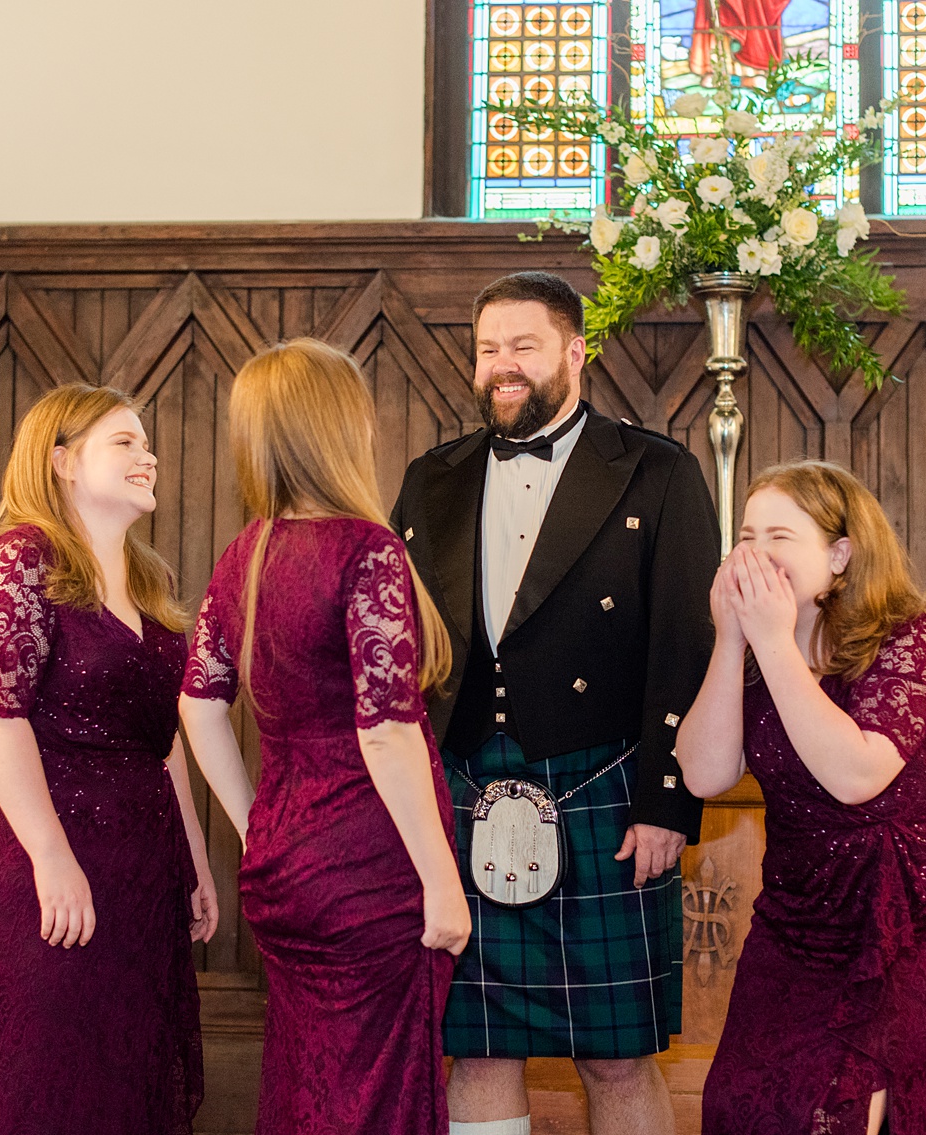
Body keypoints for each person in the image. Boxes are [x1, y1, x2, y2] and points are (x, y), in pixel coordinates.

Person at [390, 271, 720, 1135]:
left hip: (602, 789)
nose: (502, 365)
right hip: (463, 781)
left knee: (616, 1051)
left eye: (523, 346)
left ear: (575, 351)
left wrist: (665, 800)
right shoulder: (433, 479)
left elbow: (684, 647)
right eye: (488, 349)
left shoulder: (656, 471)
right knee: (480, 1044)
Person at [177, 338, 470, 1135]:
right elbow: (386, 732)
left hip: (285, 866)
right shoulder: (365, 548)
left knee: (308, 1085)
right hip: (371, 867)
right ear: (339, 426)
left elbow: (198, 706)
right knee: (377, 1096)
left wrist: (256, 825)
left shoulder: (245, 553)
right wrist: (442, 880)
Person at [0, 384, 216, 1135]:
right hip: (30, 864)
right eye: (125, 441)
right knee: (38, 1086)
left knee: (120, 1086)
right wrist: (52, 857)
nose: (147, 456)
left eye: (147, 443)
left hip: (136, 871)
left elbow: (162, 737)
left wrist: (193, 856)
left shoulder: (149, 580)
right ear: (60, 460)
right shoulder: (21, 558)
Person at [677, 460, 926, 1135]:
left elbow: (855, 775)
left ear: (840, 554)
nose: (754, 554)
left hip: (919, 924)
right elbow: (704, 774)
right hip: (799, 927)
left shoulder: (909, 642)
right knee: (736, 1105)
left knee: (839, 1111)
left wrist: (770, 639)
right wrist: (732, 640)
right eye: (746, 535)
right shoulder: (757, 654)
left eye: (779, 537)